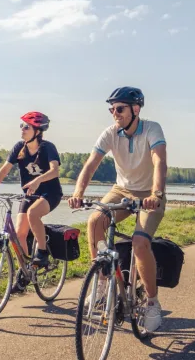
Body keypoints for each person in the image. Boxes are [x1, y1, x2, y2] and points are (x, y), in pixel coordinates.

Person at [68, 87, 168, 332]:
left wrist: (156, 194)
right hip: (121, 190)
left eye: (120, 108)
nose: (115, 113)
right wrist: (78, 193)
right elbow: (91, 164)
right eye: (112, 109)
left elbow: (159, 161)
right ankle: (101, 284)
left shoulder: (152, 128)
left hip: (149, 194)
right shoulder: (111, 133)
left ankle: (153, 303)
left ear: (135, 109)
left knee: (139, 243)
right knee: (94, 222)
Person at [0, 111, 63, 269]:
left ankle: (42, 251)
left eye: (27, 127)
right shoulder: (19, 148)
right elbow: (5, 170)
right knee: (19, 235)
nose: (22, 129)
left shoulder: (48, 148)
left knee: (33, 213)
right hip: (30, 194)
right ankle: (24, 272)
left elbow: (55, 171)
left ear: (37, 131)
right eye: (22, 126)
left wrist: (37, 180)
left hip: (51, 193)